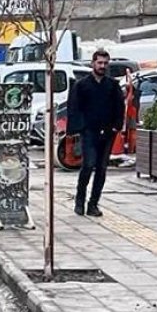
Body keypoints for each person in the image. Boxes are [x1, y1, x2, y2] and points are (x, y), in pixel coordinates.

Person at [67, 49, 125, 217]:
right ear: (93, 63)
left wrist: (116, 127)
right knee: (88, 165)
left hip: (107, 132)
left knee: (101, 168)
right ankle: (80, 200)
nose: (102, 66)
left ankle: (93, 203)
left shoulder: (112, 85)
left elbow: (119, 107)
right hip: (89, 132)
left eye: (105, 63)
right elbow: (74, 107)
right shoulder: (82, 85)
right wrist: (77, 129)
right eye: (99, 63)